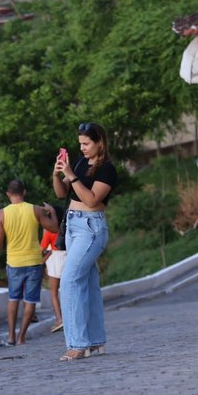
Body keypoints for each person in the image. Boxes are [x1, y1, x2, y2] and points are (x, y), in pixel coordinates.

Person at [52, 123, 117, 361]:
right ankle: (96, 340)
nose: (83, 148)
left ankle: (78, 344)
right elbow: (62, 194)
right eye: (80, 144)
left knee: (68, 281)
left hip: (91, 228)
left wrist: (72, 175)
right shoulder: (79, 163)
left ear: (99, 142)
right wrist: (58, 173)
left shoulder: (107, 170)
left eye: (86, 143)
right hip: (72, 225)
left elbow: (90, 199)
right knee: (88, 284)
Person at [0, 179, 58, 346]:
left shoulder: (2, 214)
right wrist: (52, 212)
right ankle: (22, 337)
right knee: (30, 301)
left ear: (8, 194)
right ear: (24, 192)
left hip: (14, 262)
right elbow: (54, 228)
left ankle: (10, 337)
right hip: (34, 262)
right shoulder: (35, 210)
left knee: (13, 298)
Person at [40, 205, 66, 333]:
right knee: (67, 290)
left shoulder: (49, 231)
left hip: (56, 259)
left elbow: (43, 247)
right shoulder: (66, 227)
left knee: (54, 292)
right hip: (67, 257)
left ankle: (59, 319)